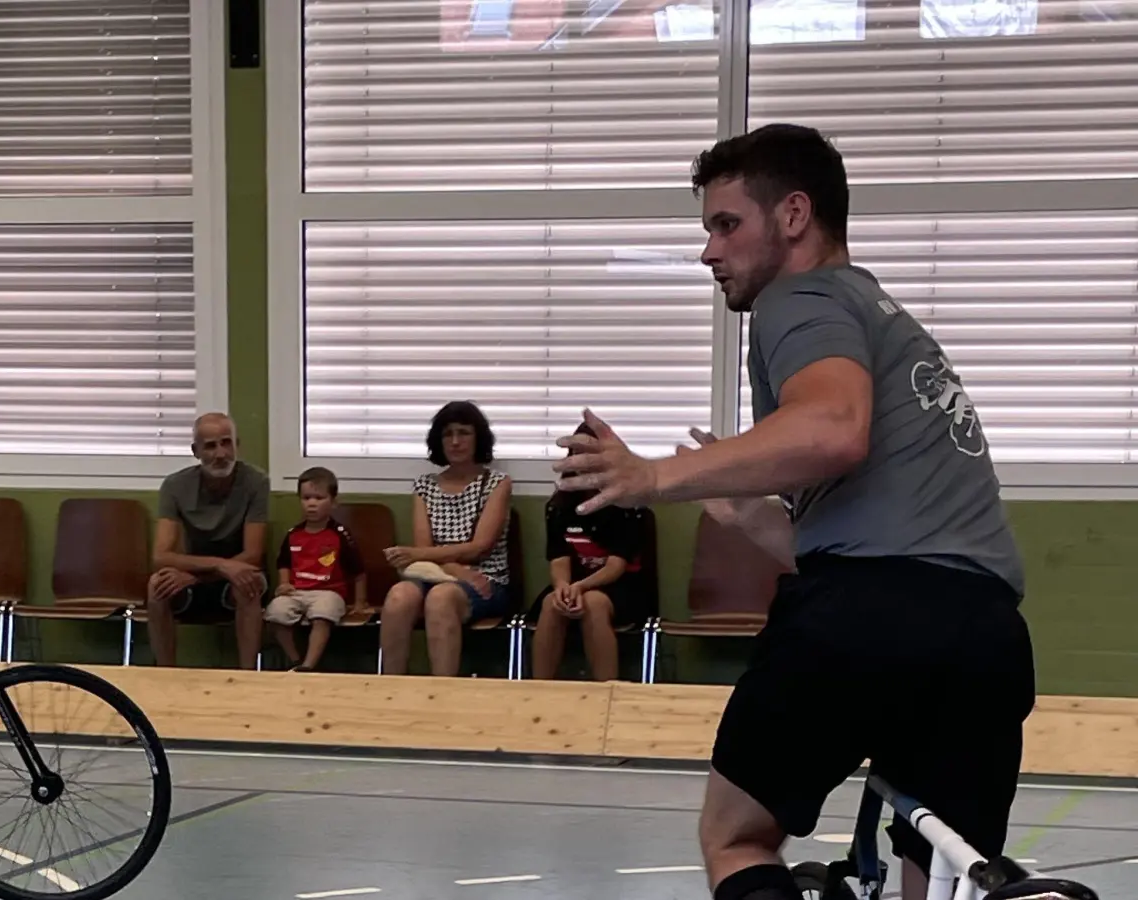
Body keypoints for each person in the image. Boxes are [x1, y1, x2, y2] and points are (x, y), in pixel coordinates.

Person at [553, 124, 1033, 900]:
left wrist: (651, 475)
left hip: (866, 621)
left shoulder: (799, 299)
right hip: (983, 639)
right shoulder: (886, 318)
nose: (710, 250)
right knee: (941, 874)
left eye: (725, 224)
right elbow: (895, 545)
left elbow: (832, 430)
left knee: (735, 836)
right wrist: (757, 520)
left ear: (795, 216)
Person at [379, 400, 513, 676]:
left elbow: (480, 547)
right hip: (434, 574)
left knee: (441, 598)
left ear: (478, 438)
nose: (455, 441)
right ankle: (389, 689)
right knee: (398, 596)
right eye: (447, 434)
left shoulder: (497, 483)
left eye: (463, 433)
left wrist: (421, 556)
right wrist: (452, 569)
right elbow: (424, 548)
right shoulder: (424, 485)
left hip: (487, 581)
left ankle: (443, 691)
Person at [530, 424, 652, 682]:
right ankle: (539, 688)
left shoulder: (627, 504)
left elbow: (615, 566)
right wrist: (564, 585)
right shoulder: (559, 506)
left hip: (619, 586)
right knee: (551, 603)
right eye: (577, 455)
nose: (583, 462)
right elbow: (559, 558)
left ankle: (606, 689)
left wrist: (581, 587)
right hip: (575, 581)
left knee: (594, 604)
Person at [148, 413, 270, 669]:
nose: (221, 453)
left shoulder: (256, 482)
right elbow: (161, 556)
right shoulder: (174, 486)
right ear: (195, 451)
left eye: (226, 443)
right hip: (199, 575)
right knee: (157, 585)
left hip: (235, 575)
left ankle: (249, 676)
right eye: (211, 446)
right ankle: (165, 673)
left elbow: (253, 554)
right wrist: (218, 566)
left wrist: (202, 574)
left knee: (248, 582)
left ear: (237, 444)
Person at [267, 467, 367, 672]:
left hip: (329, 592)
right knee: (275, 613)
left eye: (319, 498)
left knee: (322, 614)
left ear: (333, 502)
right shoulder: (293, 534)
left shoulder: (340, 535)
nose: (311, 504)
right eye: (306, 498)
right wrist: (284, 583)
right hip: (296, 592)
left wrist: (359, 602)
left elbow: (358, 571)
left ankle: (309, 665)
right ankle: (295, 660)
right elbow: (284, 563)